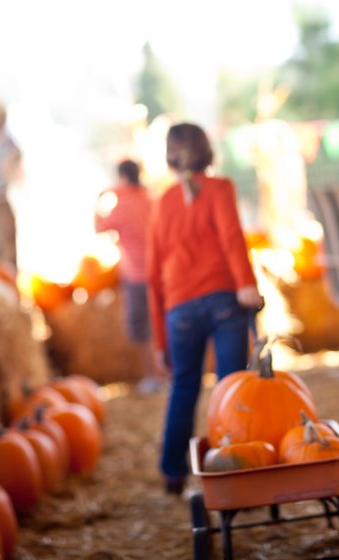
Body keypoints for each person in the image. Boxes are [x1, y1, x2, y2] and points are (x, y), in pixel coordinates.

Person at [147, 122, 263, 495]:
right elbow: (231, 236)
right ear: (206, 151)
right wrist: (246, 284)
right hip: (223, 300)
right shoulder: (220, 188)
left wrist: (160, 341)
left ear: (171, 156)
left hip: (178, 309)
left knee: (184, 385)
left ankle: (172, 472)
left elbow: (152, 275)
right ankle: (231, 471)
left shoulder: (162, 204)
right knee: (229, 386)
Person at [95, 159, 164, 394]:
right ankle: (170, 373)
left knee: (140, 327)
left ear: (122, 177)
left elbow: (99, 229)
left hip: (136, 275)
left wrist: (100, 199)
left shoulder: (121, 205)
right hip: (159, 271)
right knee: (162, 323)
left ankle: (152, 376)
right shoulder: (151, 199)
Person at [0, 103, 22, 266]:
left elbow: (16, 155)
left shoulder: (6, 140)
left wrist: (10, 167)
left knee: (7, 246)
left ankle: (7, 279)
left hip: (0, 198)